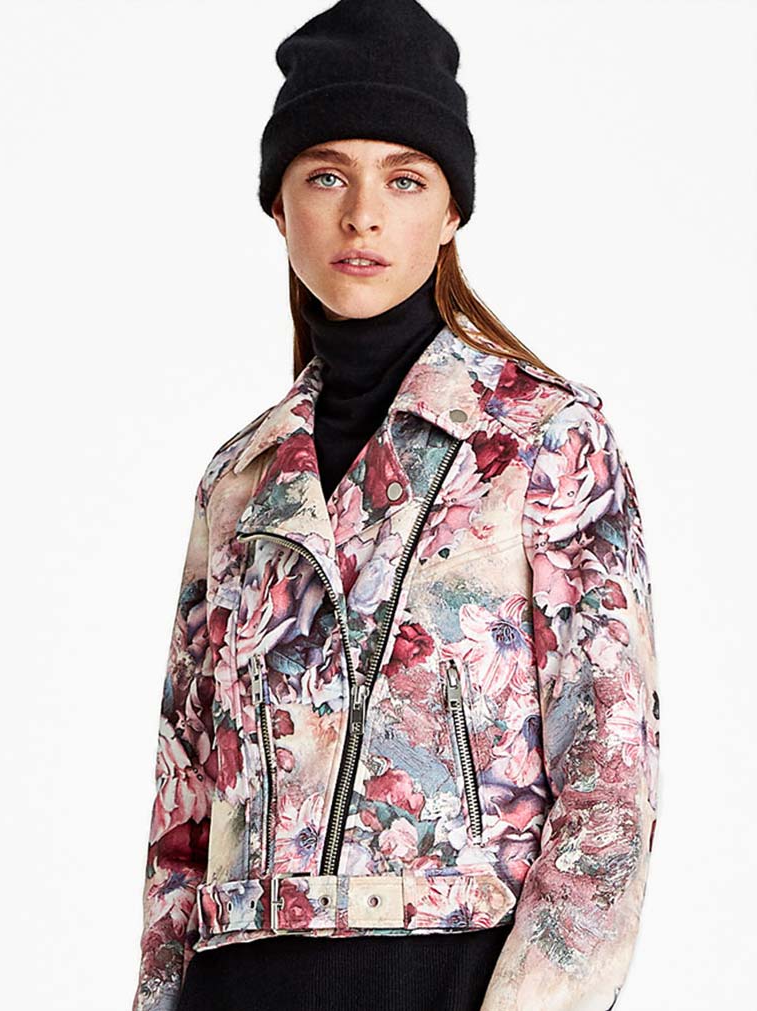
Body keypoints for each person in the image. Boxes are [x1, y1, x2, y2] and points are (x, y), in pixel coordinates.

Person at [131, 2, 660, 1010]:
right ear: (278, 206)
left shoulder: (541, 438)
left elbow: (609, 793)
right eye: (326, 175)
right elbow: (182, 810)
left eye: (404, 179)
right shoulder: (238, 478)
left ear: (451, 211)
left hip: (441, 977)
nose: (362, 215)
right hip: (234, 982)